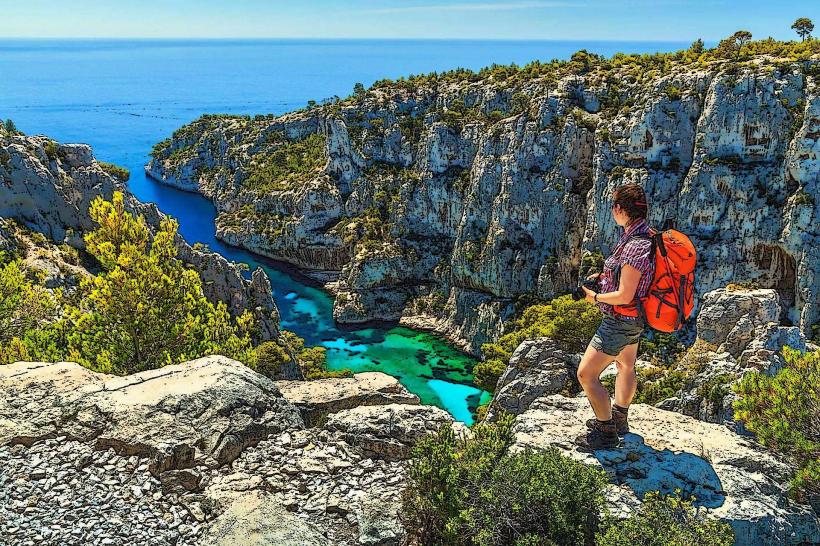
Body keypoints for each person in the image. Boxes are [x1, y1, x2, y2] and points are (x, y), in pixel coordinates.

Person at [574, 184, 654, 451]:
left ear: (620, 209)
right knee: (626, 366)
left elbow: (625, 295)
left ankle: (605, 431)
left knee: (586, 374)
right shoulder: (643, 236)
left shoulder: (635, 246)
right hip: (634, 320)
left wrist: (594, 298)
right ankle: (619, 417)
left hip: (620, 320)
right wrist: (604, 278)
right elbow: (628, 279)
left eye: (613, 207)